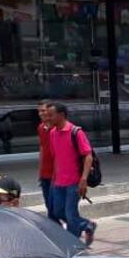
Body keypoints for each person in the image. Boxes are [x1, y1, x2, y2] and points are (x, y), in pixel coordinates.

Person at [46, 101, 97, 245]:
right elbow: (56, 157)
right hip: (58, 182)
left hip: (74, 182)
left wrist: (84, 179)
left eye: (51, 115)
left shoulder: (76, 132)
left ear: (61, 115)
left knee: (70, 213)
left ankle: (72, 245)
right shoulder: (52, 133)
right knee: (57, 212)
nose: (48, 118)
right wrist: (54, 179)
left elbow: (88, 156)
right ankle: (87, 225)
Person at [37, 100, 55, 212]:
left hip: (57, 174)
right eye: (39, 111)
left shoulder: (58, 128)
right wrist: (40, 171)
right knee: (49, 206)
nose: (40, 113)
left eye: (43, 110)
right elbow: (42, 149)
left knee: (57, 208)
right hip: (45, 174)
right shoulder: (41, 128)